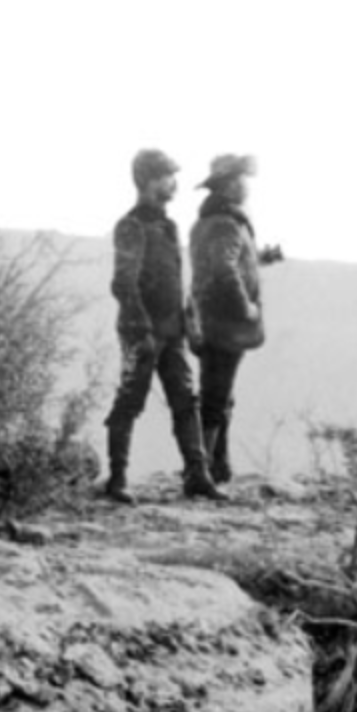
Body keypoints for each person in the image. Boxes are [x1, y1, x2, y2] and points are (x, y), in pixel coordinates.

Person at [102, 149, 225, 504]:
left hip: (171, 331)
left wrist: (188, 324)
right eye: (168, 177)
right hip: (142, 333)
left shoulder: (168, 226)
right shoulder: (131, 226)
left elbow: (177, 282)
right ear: (149, 180)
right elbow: (123, 284)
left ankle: (197, 476)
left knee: (186, 402)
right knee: (130, 401)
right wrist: (141, 331)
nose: (174, 184)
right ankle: (117, 479)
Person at [189, 153, 277, 487]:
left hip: (209, 318)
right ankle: (200, 473)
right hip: (223, 323)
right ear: (229, 185)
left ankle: (217, 466)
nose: (246, 186)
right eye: (242, 179)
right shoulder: (226, 224)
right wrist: (246, 309)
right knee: (216, 398)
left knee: (220, 395)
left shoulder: (214, 222)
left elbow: (229, 262)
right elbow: (224, 270)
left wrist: (261, 258)